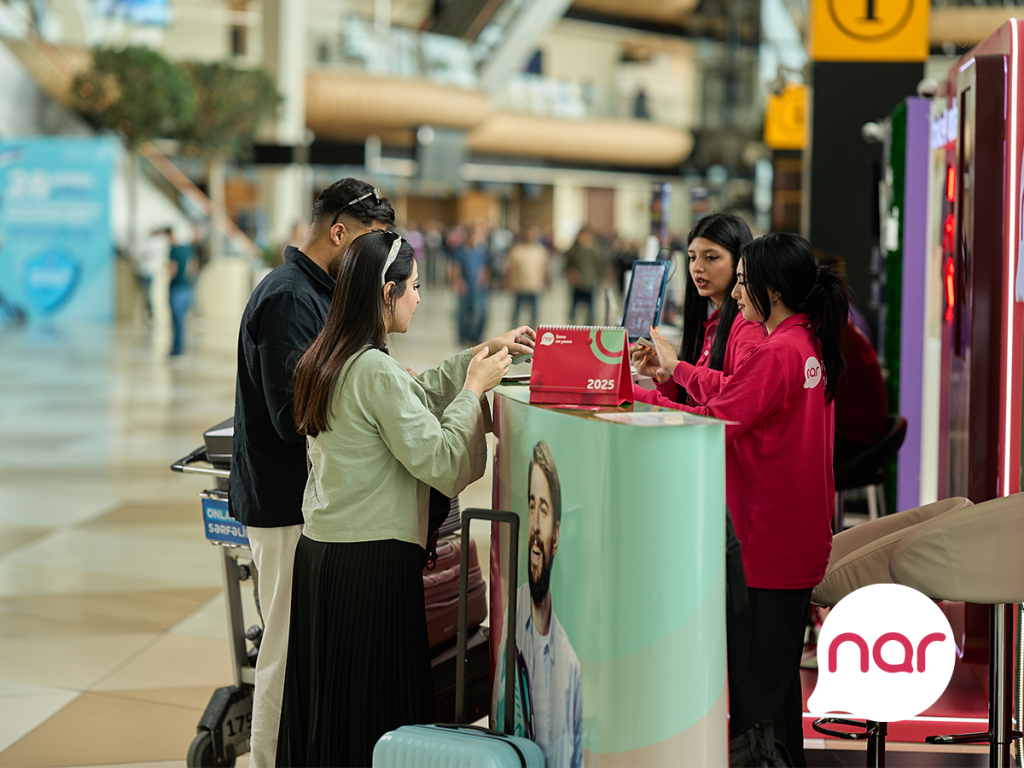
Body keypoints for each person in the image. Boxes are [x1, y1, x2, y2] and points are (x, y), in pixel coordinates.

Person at [276, 230, 536, 767]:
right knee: (375, 709)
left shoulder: (333, 354)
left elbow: (414, 395)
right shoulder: (371, 367)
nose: (419, 298)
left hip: (324, 556)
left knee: (334, 705)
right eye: (414, 287)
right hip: (369, 563)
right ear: (386, 293)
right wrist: (473, 390)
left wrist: (485, 352)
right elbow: (440, 459)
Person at [648, 231, 850, 767]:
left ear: (772, 290)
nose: (736, 295)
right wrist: (673, 374)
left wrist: (638, 399)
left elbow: (715, 422)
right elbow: (740, 399)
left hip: (766, 546)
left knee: (755, 701)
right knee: (777, 692)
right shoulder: (806, 343)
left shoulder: (776, 351)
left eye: (742, 282)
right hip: (794, 540)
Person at [229, 179, 395, 768]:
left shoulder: (321, 292)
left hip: (310, 503)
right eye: (372, 243)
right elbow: (292, 415)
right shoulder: (289, 298)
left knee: (307, 649)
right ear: (339, 232)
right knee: (284, 649)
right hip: (284, 505)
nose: (379, 260)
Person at [632, 212, 763, 406]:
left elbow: (735, 401)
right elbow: (692, 402)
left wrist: (675, 369)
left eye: (710, 257)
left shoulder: (748, 325)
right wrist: (666, 374)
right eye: (692, 257)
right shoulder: (713, 322)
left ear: (739, 261)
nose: (697, 267)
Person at [513, 441, 583, 767]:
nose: (535, 526)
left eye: (543, 510)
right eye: (531, 506)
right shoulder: (512, 616)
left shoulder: (570, 668)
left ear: (556, 536)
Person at [449, 220, 493, 345]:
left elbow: (486, 267)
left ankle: (475, 335)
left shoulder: (481, 252)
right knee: (463, 312)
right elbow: (454, 269)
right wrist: (458, 283)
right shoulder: (460, 252)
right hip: (465, 286)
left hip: (479, 287)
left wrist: (484, 280)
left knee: (480, 312)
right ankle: (463, 336)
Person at [505, 224, 550, 328]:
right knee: (516, 312)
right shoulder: (516, 250)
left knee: (534, 313)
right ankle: (513, 332)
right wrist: (509, 282)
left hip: (535, 285)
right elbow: (510, 268)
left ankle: (532, 333)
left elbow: (545, 268)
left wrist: (547, 282)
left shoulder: (541, 250)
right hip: (520, 285)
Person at [563, 227, 606, 325]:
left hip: (591, 284)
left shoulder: (595, 250)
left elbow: (601, 266)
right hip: (577, 284)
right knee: (574, 308)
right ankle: (572, 327)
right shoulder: (574, 250)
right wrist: (570, 274)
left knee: (591, 310)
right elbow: (568, 265)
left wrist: (602, 281)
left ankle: (589, 327)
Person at [167, 229, 198, 356]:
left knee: (176, 322)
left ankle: (177, 349)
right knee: (182, 321)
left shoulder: (173, 251)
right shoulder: (189, 250)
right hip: (187, 288)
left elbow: (173, 270)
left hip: (176, 288)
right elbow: (193, 268)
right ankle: (181, 348)